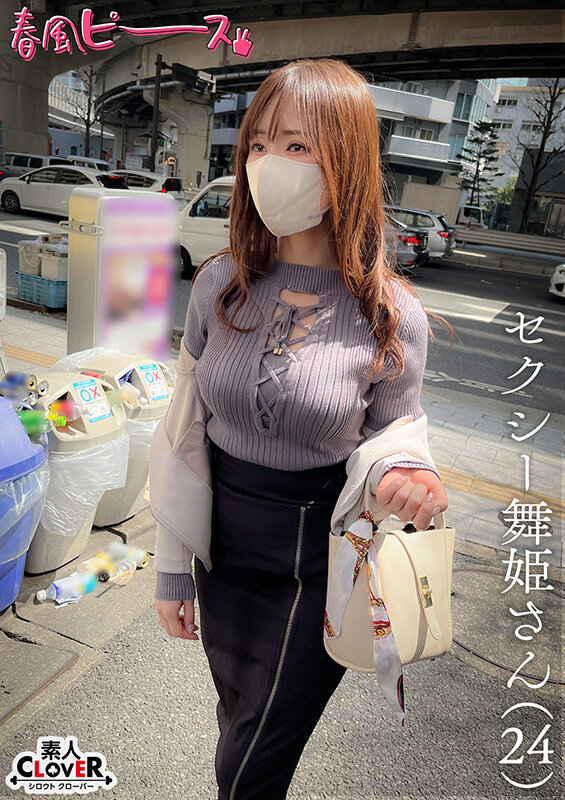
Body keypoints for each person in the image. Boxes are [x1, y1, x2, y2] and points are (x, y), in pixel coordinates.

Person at [153, 58, 450, 800]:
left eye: (295, 145)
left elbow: (398, 433)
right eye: (257, 144)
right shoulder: (219, 284)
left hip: (318, 565)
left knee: (252, 762)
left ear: (345, 161)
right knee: (236, 716)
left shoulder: (392, 314)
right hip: (221, 554)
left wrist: (406, 473)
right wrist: (171, 566)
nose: (267, 165)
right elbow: (183, 433)